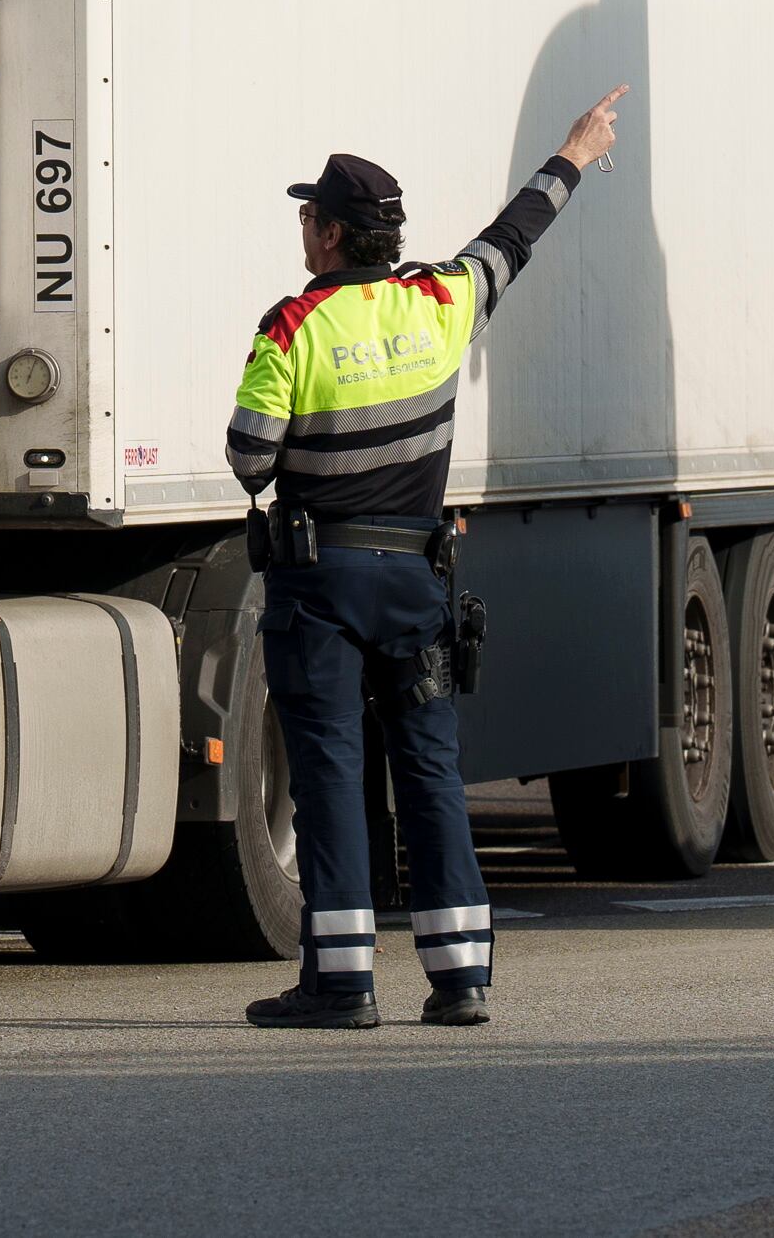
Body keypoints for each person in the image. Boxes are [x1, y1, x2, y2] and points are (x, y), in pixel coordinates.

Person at [229, 86, 626, 1033]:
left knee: (328, 773)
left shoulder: (290, 328)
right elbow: (514, 235)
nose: (301, 227)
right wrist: (572, 152)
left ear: (327, 233)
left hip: (319, 585)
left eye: (306, 214)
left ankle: (341, 983)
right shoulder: (441, 301)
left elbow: (250, 459)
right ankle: (460, 979)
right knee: (430, 772)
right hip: (415, 584)